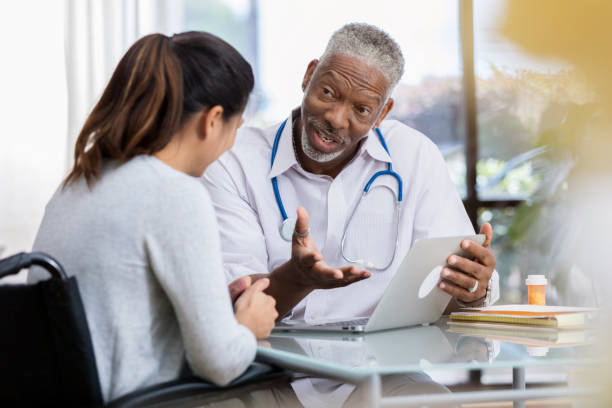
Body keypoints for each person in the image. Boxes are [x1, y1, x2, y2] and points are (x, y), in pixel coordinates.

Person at [28, 31, 278, 402]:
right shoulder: (175, 193)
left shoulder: (80, 182)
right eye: (235, 130)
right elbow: (220, 362)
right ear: (212, 121)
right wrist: (248, 325)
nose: (230, 147)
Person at [203, 23, 500, 323]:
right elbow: (236, 298)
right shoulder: (235, 161)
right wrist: (298, 279)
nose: (335, 118)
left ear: (382, 113)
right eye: (328, 92)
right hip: (279, 361)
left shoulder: (414, 156)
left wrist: (473, 290)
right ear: (309, 76)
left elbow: (451, 291)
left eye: (361, 110)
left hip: (388, 360)